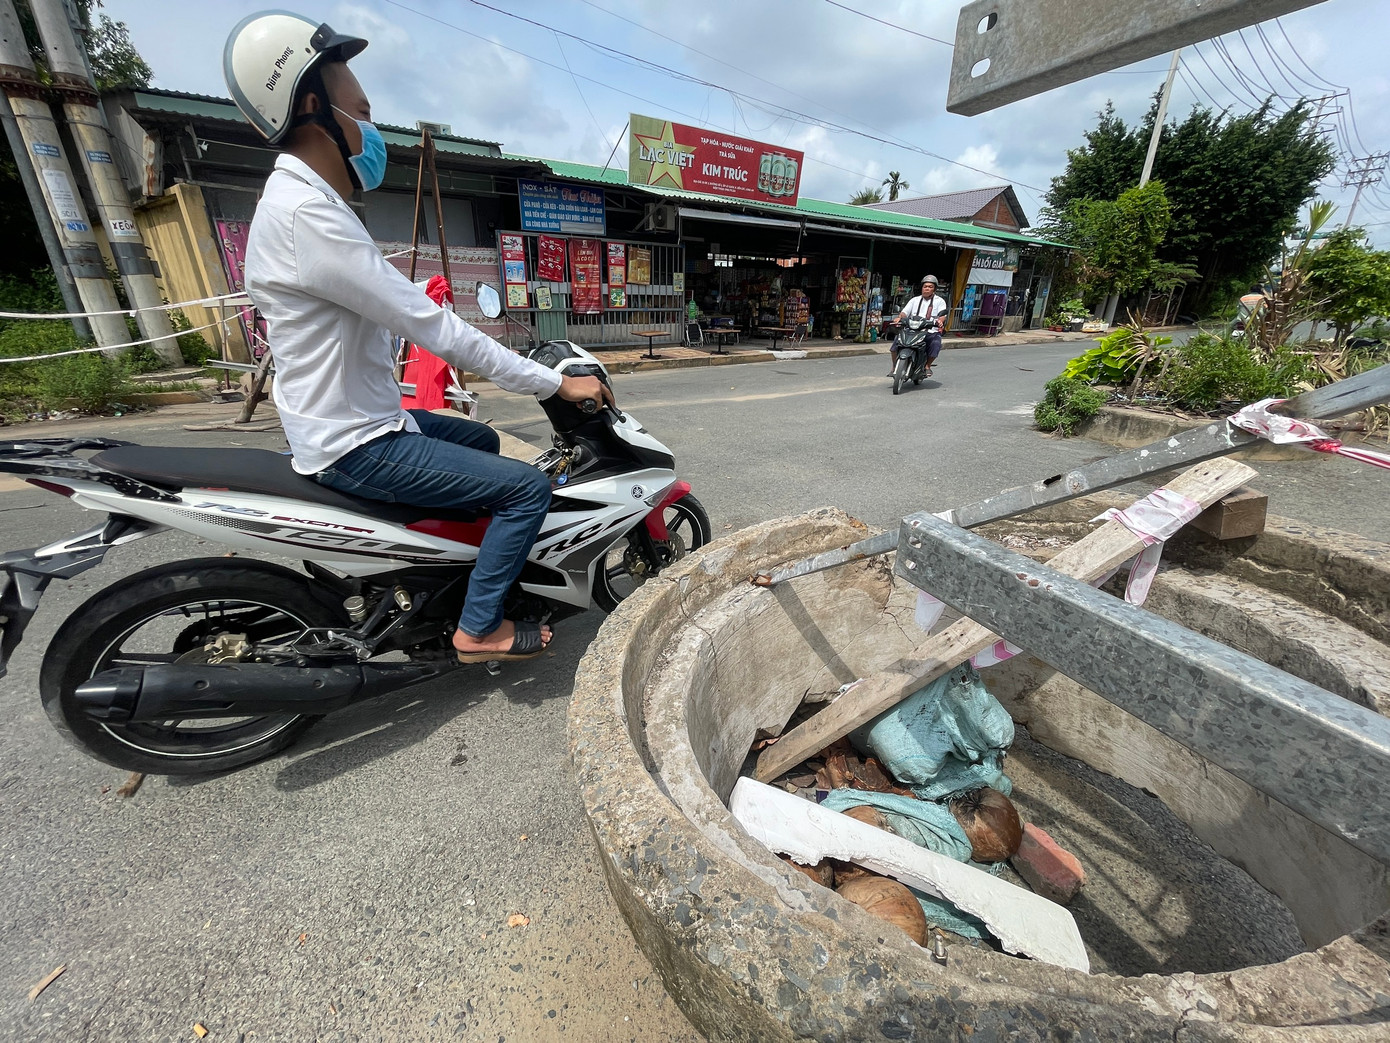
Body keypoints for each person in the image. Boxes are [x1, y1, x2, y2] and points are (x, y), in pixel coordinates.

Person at [223, 12, 612, 663]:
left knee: (483, 437)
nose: (373, 130)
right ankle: (477, 626)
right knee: (526, 489)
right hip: (356, 440)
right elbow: (433, 327)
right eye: (362, 110)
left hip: (356, 417)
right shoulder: (308, 215)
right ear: (314, 105)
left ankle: (448, 570)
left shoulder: (298, 204)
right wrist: (553, 381)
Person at [889, 276, 948, 377]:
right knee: (896, 343)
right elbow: (905, 312)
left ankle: (927, 366)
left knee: (936, 343)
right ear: (922, 287)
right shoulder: (914, 300)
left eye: (930, 286)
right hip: (912, 329)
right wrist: (899, 318)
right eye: (925, 286)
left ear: (934, 289)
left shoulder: (940, 301)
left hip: (930, 330)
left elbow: (942, 315)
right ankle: (894, 367)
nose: (927, 288)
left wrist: (939, 321)